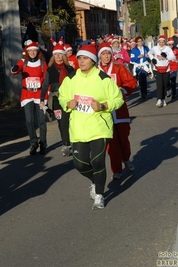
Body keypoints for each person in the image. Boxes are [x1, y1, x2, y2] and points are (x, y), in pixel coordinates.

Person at [58, 44, 124, 210]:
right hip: (79, 128)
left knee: (97, 161)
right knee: (80, 164)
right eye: (79, 58)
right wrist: (67, 103)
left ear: (93, 61)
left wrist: (103, 106)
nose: (81, 61)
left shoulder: (104, 79)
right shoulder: (70, 78)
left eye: (85, 58)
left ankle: (100, 195)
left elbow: (118, 99)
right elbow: (62, 96)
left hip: (99, 127)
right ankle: (95, 180)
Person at [97, 43, 137, 180]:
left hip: (120, 110)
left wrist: (123, 90)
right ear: (99, 55)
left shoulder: (119, 68)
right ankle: (116, 169)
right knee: (112, 144)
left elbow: (131, 82)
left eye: (108, 53)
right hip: (104, 113)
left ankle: (126, 158)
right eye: (103, 53)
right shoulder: (94, 71)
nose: (106, 56)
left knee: (124, 139)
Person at [11, 40, 48, 155]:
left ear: (37, 51)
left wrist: (45, 96)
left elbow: (47, 80)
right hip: (27, 95)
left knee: (41, 121)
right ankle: (33, 143)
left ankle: (42, 143)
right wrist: (15, 69)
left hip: (39, 95)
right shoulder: (24, 62)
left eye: (34, 50)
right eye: (30, 50)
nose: (32, 52)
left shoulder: (42, 63)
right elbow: (15, 70)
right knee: (29, 121)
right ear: (27, 52)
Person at [40, 40, 74, 157]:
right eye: (56, 54)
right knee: (61, 122)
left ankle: (70, 142)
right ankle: (66, 143)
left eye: (60, 54)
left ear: (64, 55)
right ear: (53, 56)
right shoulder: (50, 70)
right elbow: (45, 86)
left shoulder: (70, 69)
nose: (58, 57)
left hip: (69, 98)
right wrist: (42, 100)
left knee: (68, 121)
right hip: (55, 99)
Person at [148, 35, 176, 107]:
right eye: (160, 42)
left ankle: (163, 99)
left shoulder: (167, 49)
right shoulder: (154, 48)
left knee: (165, 84)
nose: (161, 43)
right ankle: (159, 99)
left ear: (165, 42)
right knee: (159, 84)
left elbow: (173, 57)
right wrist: (152, 59)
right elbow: (149, 53)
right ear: (158, 42)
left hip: (166, 68)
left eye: (163, 42)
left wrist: (166, 56)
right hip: (157, 68)